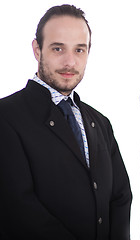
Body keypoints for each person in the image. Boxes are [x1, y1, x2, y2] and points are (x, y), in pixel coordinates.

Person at [0, 5, 132, 240]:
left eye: (79, 50)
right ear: (37, 50)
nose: (70, 62)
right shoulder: (6, 116)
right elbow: (18, 209)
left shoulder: (101, 123)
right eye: (58, 48)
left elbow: (120, 197)